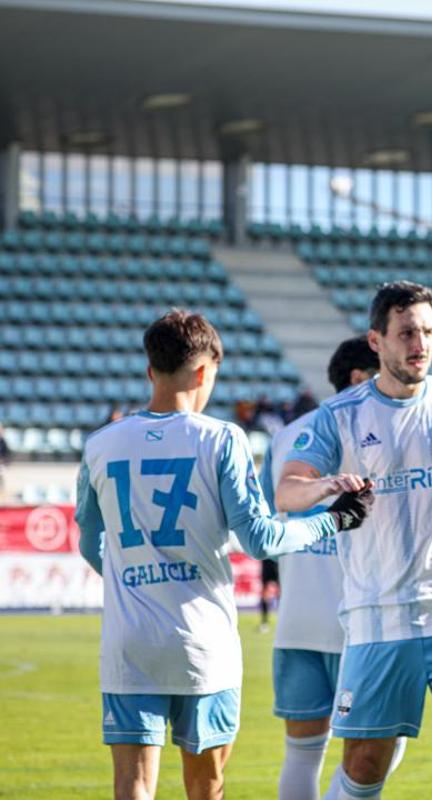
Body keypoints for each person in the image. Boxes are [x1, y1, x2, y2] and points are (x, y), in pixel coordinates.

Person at [74, 309, 373, 800]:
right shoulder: (221, 439)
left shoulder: (101, 444)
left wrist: (128, 579)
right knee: (206, 787)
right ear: (204, 372)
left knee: (132, 784)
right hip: (201, 642)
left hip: (129, 642)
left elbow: (89, 538)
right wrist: (335, 518)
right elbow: (260, 539)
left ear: (151, 370)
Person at [275, 282, 432, 800]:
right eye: (407, 332)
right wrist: (324, 485)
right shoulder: (339, 415)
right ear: (377, 340)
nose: (421, 343)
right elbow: (288, 490)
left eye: (429, 331)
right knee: (364, 763)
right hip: (376, 615)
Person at [260, 335, 380, 800]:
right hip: (361, 621)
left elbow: (269, 511)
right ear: (358, 378)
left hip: (296, 622)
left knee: (302, 753)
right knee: (379, 750)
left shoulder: (285, 437)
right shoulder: (371, 425)